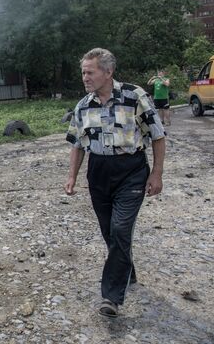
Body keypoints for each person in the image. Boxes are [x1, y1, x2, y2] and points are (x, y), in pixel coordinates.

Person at [64, 48, 166, 318]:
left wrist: (156, 173)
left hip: (131, 171)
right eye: (83, 72)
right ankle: (126, 271)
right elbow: (77, 143)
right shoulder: (83, 105)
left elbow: (157, 135)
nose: (84, 77)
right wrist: (72, 176)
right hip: (98, 172)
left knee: (121, 229)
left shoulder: (135, 96)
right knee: (109, 232)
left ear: (108, 72)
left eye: (90, 71)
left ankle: (111, 297)